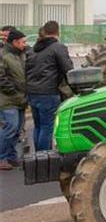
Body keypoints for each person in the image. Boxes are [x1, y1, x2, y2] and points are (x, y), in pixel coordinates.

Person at [26, 21, 73, 152]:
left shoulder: (32, 50)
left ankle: (37, 156)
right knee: (47, 127)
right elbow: (68, 70)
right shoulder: (58, 47)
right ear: (57, 32)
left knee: (38, 126)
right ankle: (44, 157)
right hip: (48, 92)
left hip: (32, 92)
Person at [0, 29, 28, 169]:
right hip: (8, 100)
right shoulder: (4, 55)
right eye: (23, 42)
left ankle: (11, 157)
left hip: (20, 99)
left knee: (17, 130)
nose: (25, 44)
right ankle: (1, 158)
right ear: (15, 42)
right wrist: (13, 91)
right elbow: (1, 78)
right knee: (9, 127)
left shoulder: (21, 55)